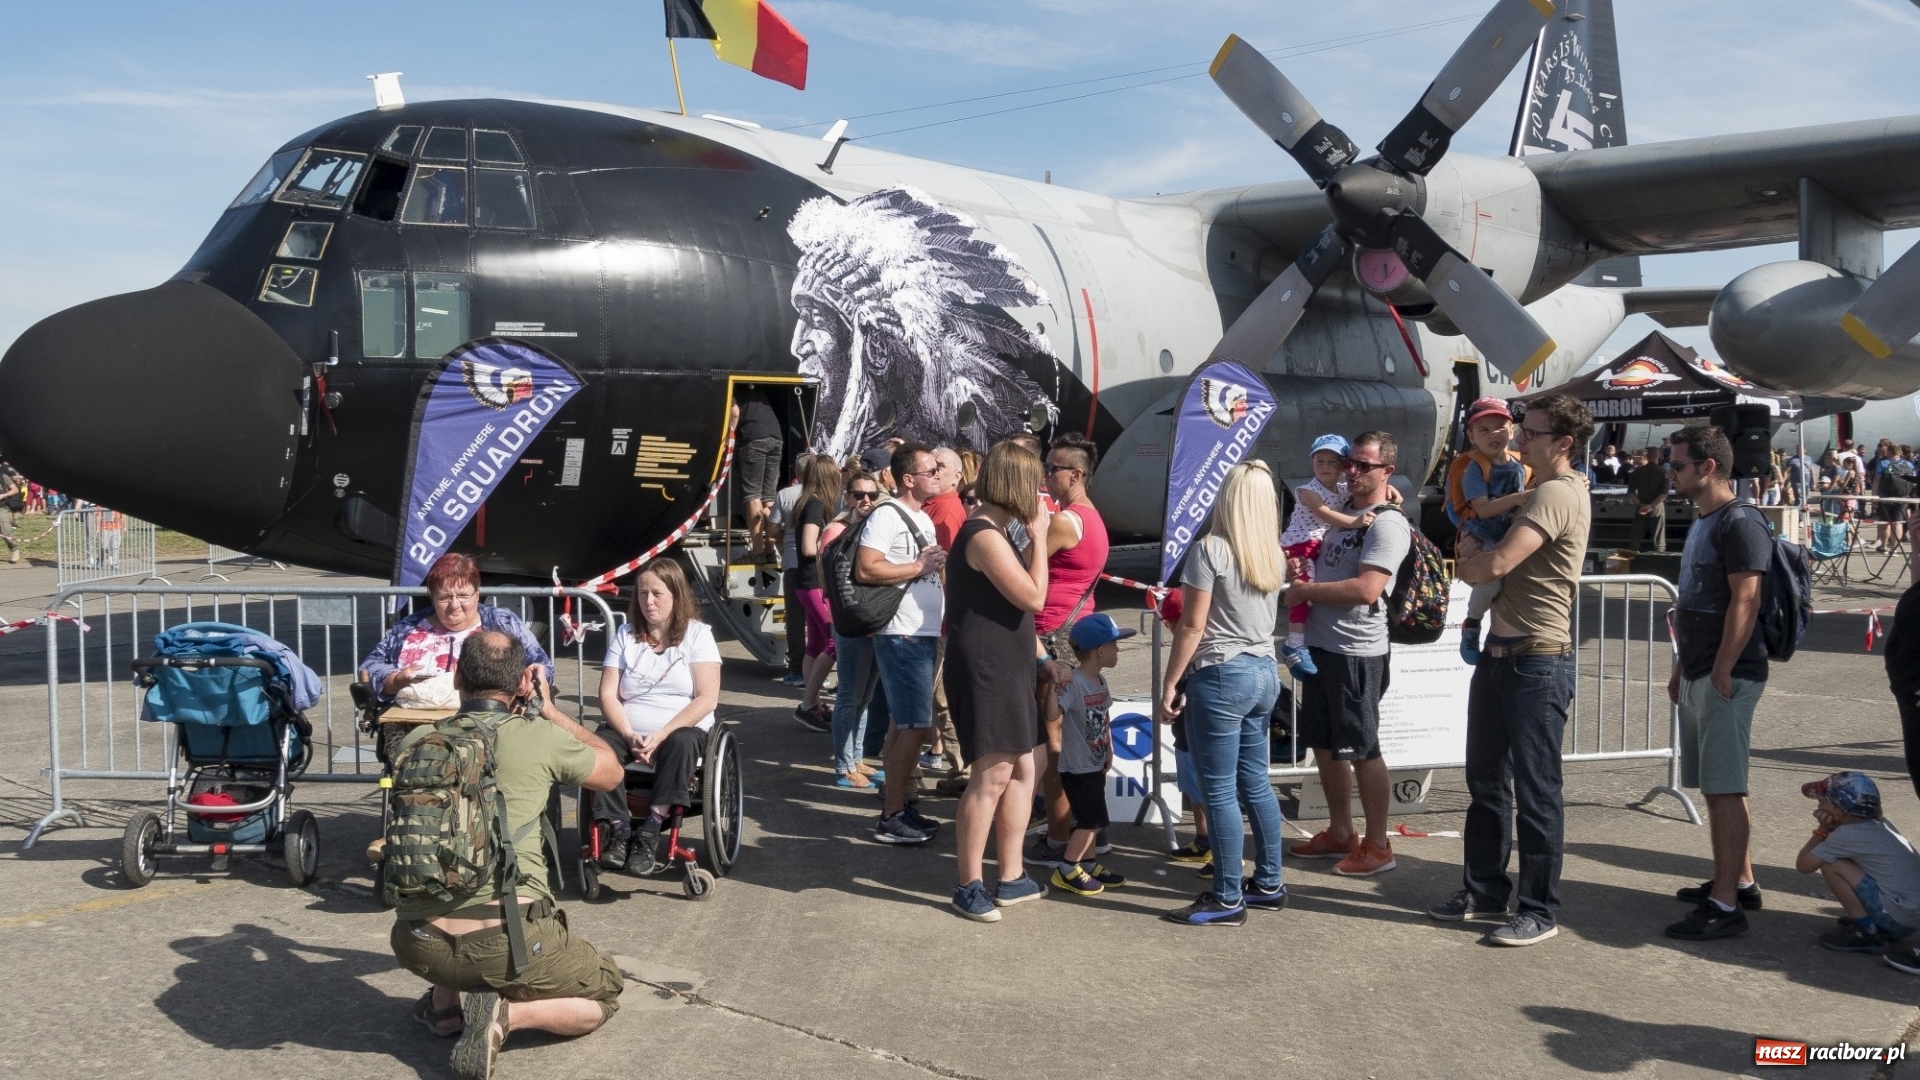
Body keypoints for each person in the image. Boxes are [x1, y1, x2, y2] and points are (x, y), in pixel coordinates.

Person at [389, 630, 626, 1080]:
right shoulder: (538, 736)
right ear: (522, 684)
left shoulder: (418, 741)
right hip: (511, 946)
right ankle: (505, 1016)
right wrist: (551, 710)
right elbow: (611, 771)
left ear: (458, 677)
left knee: (451, 858)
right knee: (606, 990)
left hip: (417, 943)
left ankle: (444, 1007)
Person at [1428, 393, 1592, 947]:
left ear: (1564, 443)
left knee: (1537, 789)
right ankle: (1484, 890)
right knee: (1486, 782)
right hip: (1501, 656)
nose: (1520, 437)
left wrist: (1468, 560)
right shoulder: (1533, 488)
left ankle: (1539, 908)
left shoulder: (1556, 492)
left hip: (1537, 659)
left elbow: (1495, 563)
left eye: (1534, 431)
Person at [1158, 460, 1287, 926]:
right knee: (1255, 781)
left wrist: (1171, 682)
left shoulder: (1210, 549)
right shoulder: (1273, 552)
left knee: (1218, 790)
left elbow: (1191, 625)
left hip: (1221, 673)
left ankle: (1228, 895)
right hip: (1264, 673)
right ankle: (1269, 882)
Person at [1663, 423, 1772, 941]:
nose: (1670, 472)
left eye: (1678, 464)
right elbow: (1692, 601)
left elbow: (1745, 599)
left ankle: (1727, 905)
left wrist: (1724, 668)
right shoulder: (1706, 519)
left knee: (1726, 788)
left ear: (1708, 467)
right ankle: (1739, 881)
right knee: (1714, 785)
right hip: (1702, 668)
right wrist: (1683, 666)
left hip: (1729, 672)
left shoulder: (1740, 522)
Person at [1283, 433, 1408, 879]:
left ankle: (1378, 845)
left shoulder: (1385, 524)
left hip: (1356, 652)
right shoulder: (1344, 513)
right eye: (1349, 463)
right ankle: (1340, 832)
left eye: (1365, 466)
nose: (1352, 471)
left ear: (1386, 471)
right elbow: (1316, 556)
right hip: (1321, 647)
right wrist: (1296, 570)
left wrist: (1304, 591)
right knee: (1325, 745)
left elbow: (1367, 589)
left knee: (1362, 748)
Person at [945, 440, 1051, 920]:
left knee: (1024, 769)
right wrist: (1043, 538)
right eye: (1034, 482)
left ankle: (1011, 875)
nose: (1041, 491)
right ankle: (968, 882)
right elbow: (1032, 598)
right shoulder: (984, 534)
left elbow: (1014, 612)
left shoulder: (997, 532)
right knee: (992, 775)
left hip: (1007, 664)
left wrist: (1042, 657)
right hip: (987, 668)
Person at [590, 559, 723, 873]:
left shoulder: (698, 635)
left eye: (657, 594)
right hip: (629, 730)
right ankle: (620, 830)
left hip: (679, 729)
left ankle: (650, 829)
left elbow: (707, 698)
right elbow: (608, 694)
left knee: (683, 741)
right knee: (597, 747)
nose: (648, 601)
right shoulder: (626, 635)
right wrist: (626, 733)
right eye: (642, 593)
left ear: (675, 594)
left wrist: (661, 734)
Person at [1027, 432, 1112, 869]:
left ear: (1075, 474)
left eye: (1052, 468)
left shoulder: (1065, 522)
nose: (1046, 474)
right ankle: (1084, 831)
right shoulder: (1093, 518)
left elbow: (1023, 564)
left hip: (1052, 635)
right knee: (1077, 744)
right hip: (1074, 630)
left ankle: (1061, 836)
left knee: (1054, 745)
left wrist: (1031, 530)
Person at [860, 441, 948, 844]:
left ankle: (897, 806)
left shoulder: (921, 518)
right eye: (931, 471)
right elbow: (866, 568)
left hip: (920, 633)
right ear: (908, 479)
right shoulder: (886, 514)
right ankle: (891, 814)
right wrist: (919, 566)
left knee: (903, 723)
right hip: (902, 634)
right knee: (915, 726)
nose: (939, 475)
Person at [362, 553, 553, 712]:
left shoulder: (503, 623)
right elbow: (368, 668)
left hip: (491, 723)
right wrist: (395, 680)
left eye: (463, 596)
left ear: (477, 593)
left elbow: (543, 667)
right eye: (444, 597)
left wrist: (527, 683)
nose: (454, 605)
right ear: (432, 596)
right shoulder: (407, 628)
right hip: (412, 727)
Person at [1791, 772, 1920, 958]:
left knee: (1831, 864)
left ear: (1837, 813)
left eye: (1822, 801)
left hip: (1898, 919)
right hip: (1910, 916)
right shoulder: (1880, 824)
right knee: (1846, 861)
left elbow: (1804, 865)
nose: (1818, 804)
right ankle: (1874, 923)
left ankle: (1866, 930)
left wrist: (1822, 831)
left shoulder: (1846, 836)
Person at [1280, 434, 1376, 679]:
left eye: (1332, 462)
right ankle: (1295, 642)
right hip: (1300, 545)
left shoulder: (1343, 490)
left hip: (1317, 546)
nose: (1324, 466)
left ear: (1343, 466)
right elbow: (1325, 515)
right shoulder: (1308, 492)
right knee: (1305, 588)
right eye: (1319, 461)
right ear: (1312, 463)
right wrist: (1355, 522)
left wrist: (1392, 491)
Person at [1049, 613, 1132, 897]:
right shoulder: (1073, 683)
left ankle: (1088, 862)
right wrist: (1053, 686)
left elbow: (1104, 718)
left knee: (1098, 819)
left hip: (1095, 763)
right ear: (1100, 650)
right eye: (1115, 645)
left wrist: (1109, 748)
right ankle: (1068, 868)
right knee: (1091, 821)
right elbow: (1051, 715)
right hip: (1077, 767)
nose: (1118, 650)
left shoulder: (1100, 682)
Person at [1449, 399, 1529, 667]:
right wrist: (1519, 498)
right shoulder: (1475, 468)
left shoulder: (1521, 465)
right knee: (1492, 580)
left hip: (1506, 536)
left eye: (1499, 427)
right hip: (1482, 534)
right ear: (1471, 436)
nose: (1493, 434)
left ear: (1513, 430)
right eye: (1483, 430)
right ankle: (1472, 623)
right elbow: (1482, 510)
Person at [825, 472, 889, 790]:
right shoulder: (837, 531)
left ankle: (857, 759)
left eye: (872, 495)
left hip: (875, 625)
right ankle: (843, 765)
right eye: (859, 494)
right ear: (847, 497)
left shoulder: (877, 529)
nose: (866, 500)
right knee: (849, 697)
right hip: (851, 626)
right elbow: (833, 585)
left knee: (865, 698)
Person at [922, 447, 969, 783]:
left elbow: (951, 573)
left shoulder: (949, 510)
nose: (935, 473)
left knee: (938, 697)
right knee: (938, 698)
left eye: (941, 467)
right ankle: (963, 766)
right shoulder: (934, 506)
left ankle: (964, 767)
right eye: (932, 467)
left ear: (957, 476)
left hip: (940, 622)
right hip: (932, 620)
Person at [790, 455, 842, 732]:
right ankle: (808, 705)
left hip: (807, 584)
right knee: (835, 643)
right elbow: (810, 547)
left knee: (817, 645)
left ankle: (813, 703)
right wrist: (834, 546)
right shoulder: (816, 504)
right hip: (815, 584)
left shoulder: (810, 502)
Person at [768, 456, 810, 686]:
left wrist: (784, 539)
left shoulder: (786, 494)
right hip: (819, 562)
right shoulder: (827, 493)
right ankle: (818, 668)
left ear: (797, 472)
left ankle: (797, 670)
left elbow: (772, 529)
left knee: (795, 618)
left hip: (793, 561)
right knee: (819, 618)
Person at [734, 386, 784, 560]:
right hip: (776, 436)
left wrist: (729, 435)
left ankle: (757, 552)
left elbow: (734, 412)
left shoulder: (734, 387)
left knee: (752, 495)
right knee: (768, 497)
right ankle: (770, 549)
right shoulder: (759, 389)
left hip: (753, 436)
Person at [1627, 448, 1669, 553]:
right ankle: (1660, 559)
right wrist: (1651, 506)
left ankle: (1632, 560)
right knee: (1659, 537)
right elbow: (1664, 494)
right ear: (1658, 456)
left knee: (1636, 537)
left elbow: (1630, 493)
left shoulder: (1637, 472)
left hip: (1641, 505)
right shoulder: (1663, 472)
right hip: (1657, 507)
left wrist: (1640, 505)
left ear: (1647, 457)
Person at [0, 462, 24, 563]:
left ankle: (14, 550)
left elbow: (15, 490)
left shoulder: (3, 477)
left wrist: (3, 495)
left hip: (2, 507)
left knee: (5, 531)